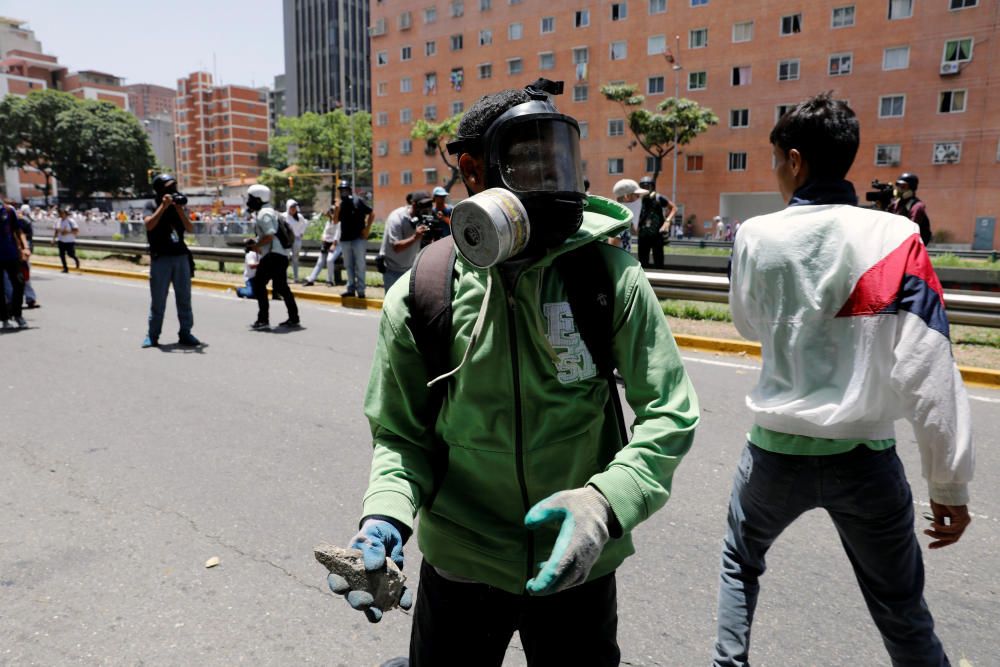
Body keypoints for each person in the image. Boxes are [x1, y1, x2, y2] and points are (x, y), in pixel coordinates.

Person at [325, 80, 700, 666]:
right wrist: (386, 515)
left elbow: (670, 414)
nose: (552, 181)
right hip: (461, 567)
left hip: (579, 563)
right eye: (530, 163)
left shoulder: (609, 279)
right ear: (473, 169)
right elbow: (401, 436)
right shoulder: (422, 294)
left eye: (560, 160)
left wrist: (605, 504)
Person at [714, 93, 974, 666]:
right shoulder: (896, 237)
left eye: (777, 159)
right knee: (903, 615)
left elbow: (746, 321)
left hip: (774, 455)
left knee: (740, 563)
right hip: (866, 460)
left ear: (796, 160)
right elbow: (928, 364)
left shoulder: (755, 235)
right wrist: (948, 484)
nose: (776, 171)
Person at [142, 174, 201, 348]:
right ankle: (152, 336)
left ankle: (185, 333)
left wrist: (178, 209)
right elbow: (149, 225)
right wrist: (163, 206)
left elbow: (190, 228)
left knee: (184, 298)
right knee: (158, 300)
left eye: (174, 186)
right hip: (161, 258)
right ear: (159, 189)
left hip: (180, 257)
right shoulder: (150, 204)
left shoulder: (179, 205)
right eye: (168, 187)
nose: (172, 190)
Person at [247, 183, 300, 329]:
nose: (249, 201)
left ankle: (263, 320)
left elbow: (269, 235)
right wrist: (256, 243)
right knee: (281, 287)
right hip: (281, 255)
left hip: (273, 256)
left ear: (258, 199)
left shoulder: (264, 214)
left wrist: (256, 246)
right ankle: (294, 317)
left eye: (251, 198)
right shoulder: (272, 211)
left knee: (258, 284)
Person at [379, 191, 432, 292]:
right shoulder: (397, 217)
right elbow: (396, 247)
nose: (426, 208)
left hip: (411, 270)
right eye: (423, 205)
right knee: (392, 305)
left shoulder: (423, 219)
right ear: (414, 204)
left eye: (429, 204)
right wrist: (415, 237)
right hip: (393, 270)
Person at [333, 180, 374, 299]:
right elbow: (335, 221)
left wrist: (367, 229)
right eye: (341, 190)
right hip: (345, 239)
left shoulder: (358, 201)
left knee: (360, 265)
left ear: (350, 190)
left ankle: (361, 291)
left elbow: (371, 213)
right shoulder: (341, 204)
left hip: (358, 239)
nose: (343, 192)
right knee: (349, 265)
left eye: (345, 190)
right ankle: (350, 288)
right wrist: (336, 209)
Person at [0, 201, 29, 329]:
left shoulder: (8, 210)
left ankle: (17, 315)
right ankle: (4, 318)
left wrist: (25, 247)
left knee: (19, 283)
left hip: (11, 255)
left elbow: (18, 231)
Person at [635, 176, 676, 268]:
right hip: (643, 235)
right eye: (643, 187)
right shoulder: (638, 200)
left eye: (647, 186)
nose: (645, 189)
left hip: (657, 235)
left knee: (659, 262)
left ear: (652, 187)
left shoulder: (658, 198)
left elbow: (674, 208)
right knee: (642, 263)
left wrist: (668, 221)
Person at [887, 172, 932, 245]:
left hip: (912, 245)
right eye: (898, 185)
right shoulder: (896, 204)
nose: (899, 189)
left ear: (912, 188)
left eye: (903, 186)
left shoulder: (917, 206)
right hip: (899, 243)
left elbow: (911, 229)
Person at [303, 206, 343, 287]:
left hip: (336, 245)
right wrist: (323, 237)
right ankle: (311, 279)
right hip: (326, 244)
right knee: (320, 262)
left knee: (329, 260)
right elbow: (325, 233)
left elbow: (337, 235)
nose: (331, 213)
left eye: (333, 212)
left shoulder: (339, 222)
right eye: (331, 212)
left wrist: (334, 244)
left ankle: (330, 280)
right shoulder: (328, 222)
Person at [611, 178, 647, 254]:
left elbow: (634, 232)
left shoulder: (624, 217)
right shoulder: (620, 219)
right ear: (626, 196)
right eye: (637, 195)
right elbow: (612, 247)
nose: (639, 198)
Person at [284, 199, 308, 282]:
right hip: (287, 240)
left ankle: (296, 277)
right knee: (285, 258)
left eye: (294, 207)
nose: (293, 208)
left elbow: (305, 224)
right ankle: (285, 277)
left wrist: (301, 233)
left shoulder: (300, 217)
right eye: (292, 207)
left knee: (295, 259)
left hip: (296, 240)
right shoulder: (284, 216)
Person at [53, 208, 80, 273]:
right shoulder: (58, 221)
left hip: (69, 241)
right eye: (60, 213)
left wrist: (67, 232)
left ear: (66, 214)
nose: (61, 215)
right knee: (61, 255)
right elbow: (56, 230)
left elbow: (76, 230)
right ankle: (65, 268)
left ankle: (76, 260)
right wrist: (53, 239)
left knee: (70, 254)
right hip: (61, 240)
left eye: (62, 213)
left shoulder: (71, 221)